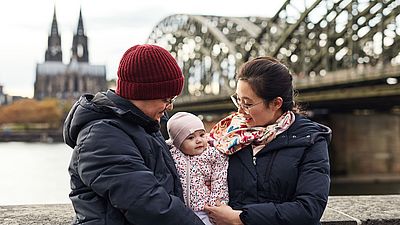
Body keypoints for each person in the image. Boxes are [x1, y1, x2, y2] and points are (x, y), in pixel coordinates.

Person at [63, 44, 205, 225]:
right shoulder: (101, 136)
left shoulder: (142, 124)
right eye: (166, 99)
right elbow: (149, 205)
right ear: (142, 93)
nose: (170, 106)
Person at [204, 56, 331, 225]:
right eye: (238, 100)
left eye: (247, 104)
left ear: (276, 103)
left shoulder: (310, 140)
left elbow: (309, 209)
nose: (240, 111)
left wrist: (240, 218)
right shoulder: (226, 137)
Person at [166, 112, 229, 225]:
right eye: (191, 137)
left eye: (202, 135)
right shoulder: (173, 155)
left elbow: (219, 179)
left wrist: (215, 204)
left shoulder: (212, 155)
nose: (199, 140)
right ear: (178, 143)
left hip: (205, 209)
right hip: (182, 210)